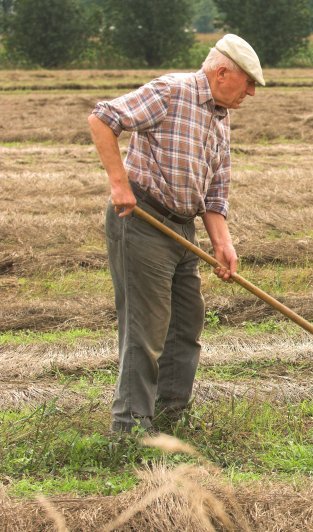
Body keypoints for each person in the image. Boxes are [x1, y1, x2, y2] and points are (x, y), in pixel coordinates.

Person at [87, 34, 265, 434]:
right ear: (223, 73)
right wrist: (119, 183)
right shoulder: (171, 91)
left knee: (185, 325)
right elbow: (102, 118)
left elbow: (215, 192)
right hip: (143, 221)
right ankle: (130, 429)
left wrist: (222, 244)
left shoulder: (220, 117)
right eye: (249, 82)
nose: (251, 92)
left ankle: (170, 416)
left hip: (183, 229)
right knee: (145, 329)